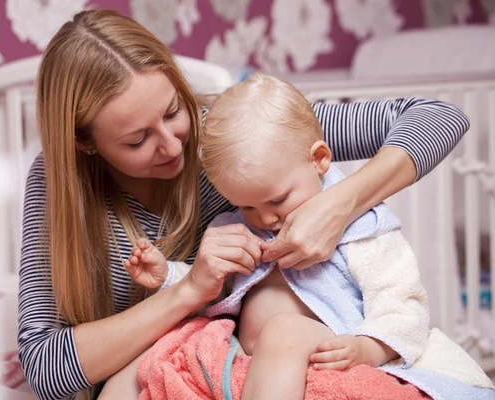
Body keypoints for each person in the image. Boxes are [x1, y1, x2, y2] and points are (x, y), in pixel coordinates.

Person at [18, 9, 471, 400]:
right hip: (195, 352)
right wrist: (188, 290)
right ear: (84, 143)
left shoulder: (229, 140)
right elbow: (44, 366)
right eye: (138, 140)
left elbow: (439, 116)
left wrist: (338, 205)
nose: (173, 145)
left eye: (174, 111)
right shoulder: (61, 185)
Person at [125, 72, 494, 400]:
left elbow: (403, 303)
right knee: (154, 358)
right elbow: (215, 289)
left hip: (326, 354)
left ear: (319, 159)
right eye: (248, 207)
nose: (265, 218)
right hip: (244, 363)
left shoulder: (363, 229)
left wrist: (368, 347)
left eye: (277, 200)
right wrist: (170, 276)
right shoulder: (235, 225)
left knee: (284, 330)